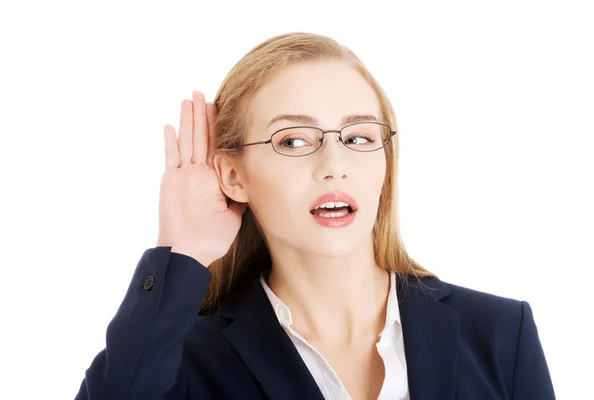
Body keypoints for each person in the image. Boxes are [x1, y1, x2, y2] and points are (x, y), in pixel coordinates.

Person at [74, 32, 555, 400]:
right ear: (234, 175)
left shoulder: (498, 333)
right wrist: (181, 253)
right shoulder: (183, 358)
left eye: (359, 138)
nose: (333, 166)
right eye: (294, 141)